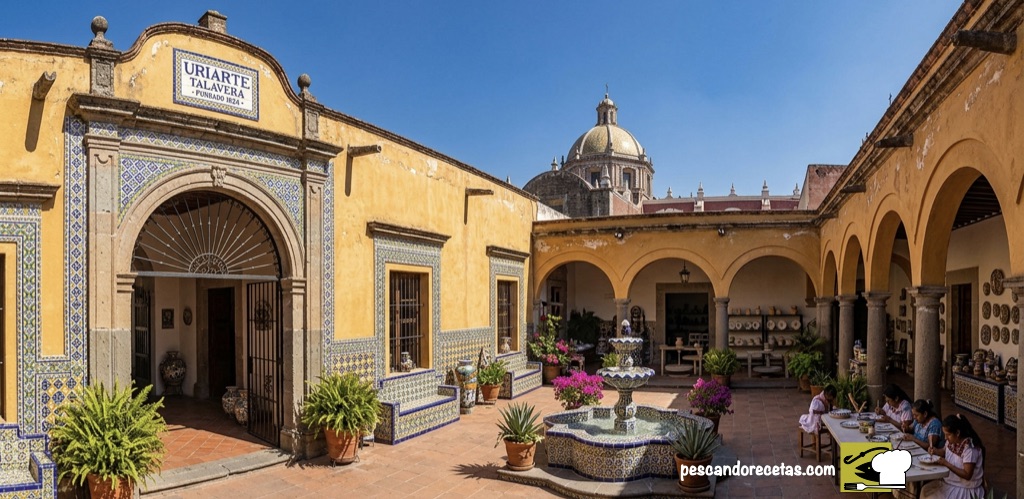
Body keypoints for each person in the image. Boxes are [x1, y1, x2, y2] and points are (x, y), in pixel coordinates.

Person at [920, 413, 985, 499]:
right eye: (945, 434)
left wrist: (946, 464)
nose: (946, 438)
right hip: (950, 483)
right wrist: (935, 451)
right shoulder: (952, 441)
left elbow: (967, 475)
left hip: (963, 489)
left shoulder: (970, 449)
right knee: (925, 490)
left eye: (948, 435)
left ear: (957, 433)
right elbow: (944, 451)